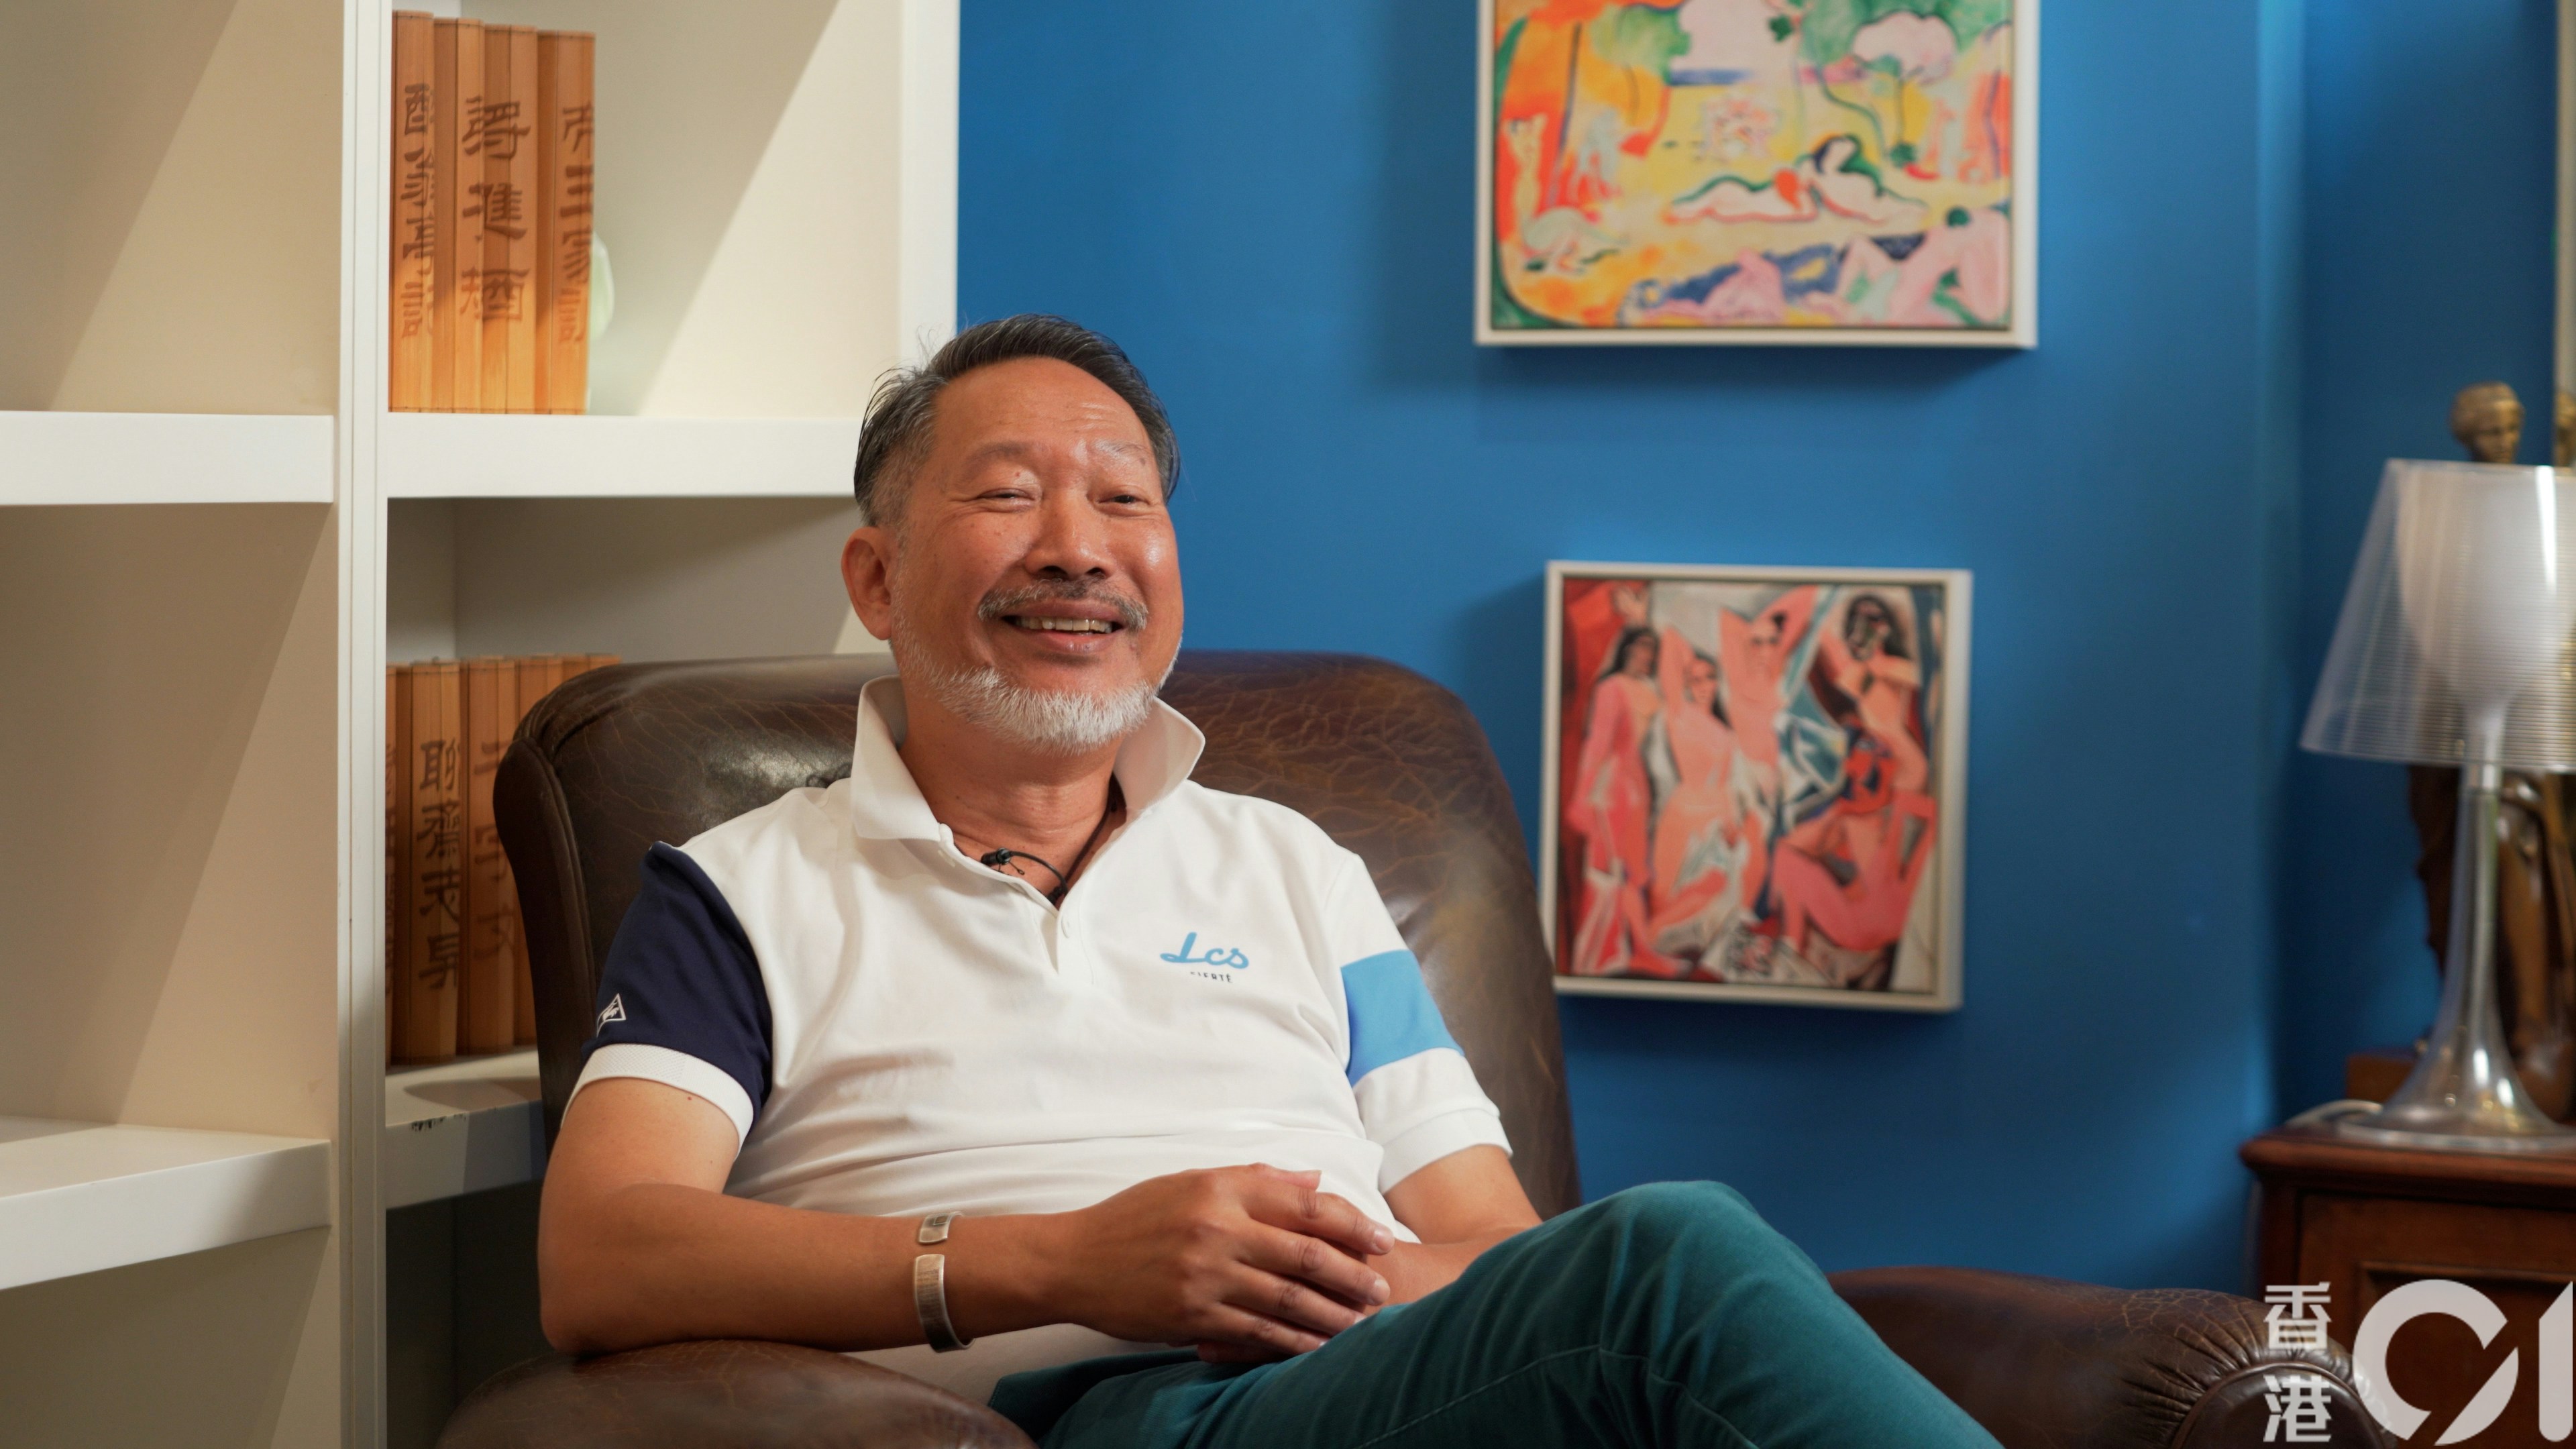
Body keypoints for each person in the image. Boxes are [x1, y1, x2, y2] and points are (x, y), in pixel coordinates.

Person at [537, 314, 2004, 1449]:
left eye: (1124, 499)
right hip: (1099, 1414)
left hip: (1374, 1384)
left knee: (1650, 1290)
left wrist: (1293, 1282)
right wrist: (1073, 1265)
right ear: (875, 579)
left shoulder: (1297, 866)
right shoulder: (741, 893)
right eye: (1009, 495)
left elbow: (1496, 1251)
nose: (1079, 549)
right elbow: (600, 1254)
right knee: (1670, 1259)